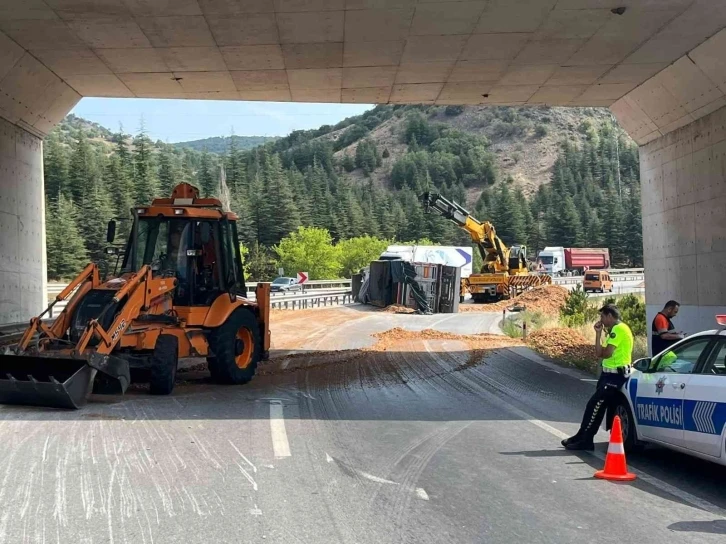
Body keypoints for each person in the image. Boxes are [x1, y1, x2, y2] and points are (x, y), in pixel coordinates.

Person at [562, 304, 634, 451]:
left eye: (602, 316)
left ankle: (586, 440)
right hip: (607, 374)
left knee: (594, 405)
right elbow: (598, 353)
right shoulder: (612, 331)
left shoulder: (619, 329)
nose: (601, 320)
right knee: (597, 407)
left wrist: (603, 350)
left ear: (609, 316)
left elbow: (606, 353)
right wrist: (598, 334)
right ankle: (582, 435)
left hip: (615, 376)